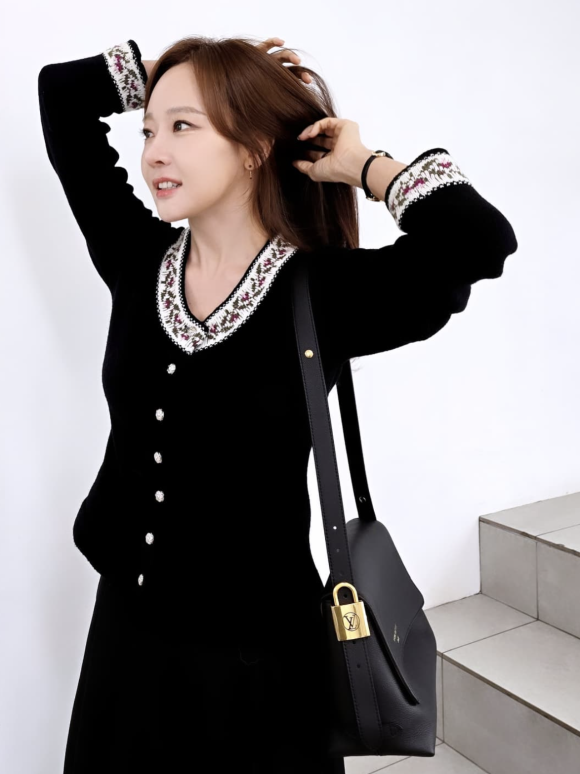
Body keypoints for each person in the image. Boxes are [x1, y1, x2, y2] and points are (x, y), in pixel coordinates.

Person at [37, 34, 518, 774]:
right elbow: (61, 96)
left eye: (183, 126)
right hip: (126, 642)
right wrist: (177, 70)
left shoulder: (321, 292)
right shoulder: (137, 259)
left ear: (253, 148)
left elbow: (478, 241)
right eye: (148, 130)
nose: (154, 151)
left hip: (258, 663)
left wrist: (363, 164)